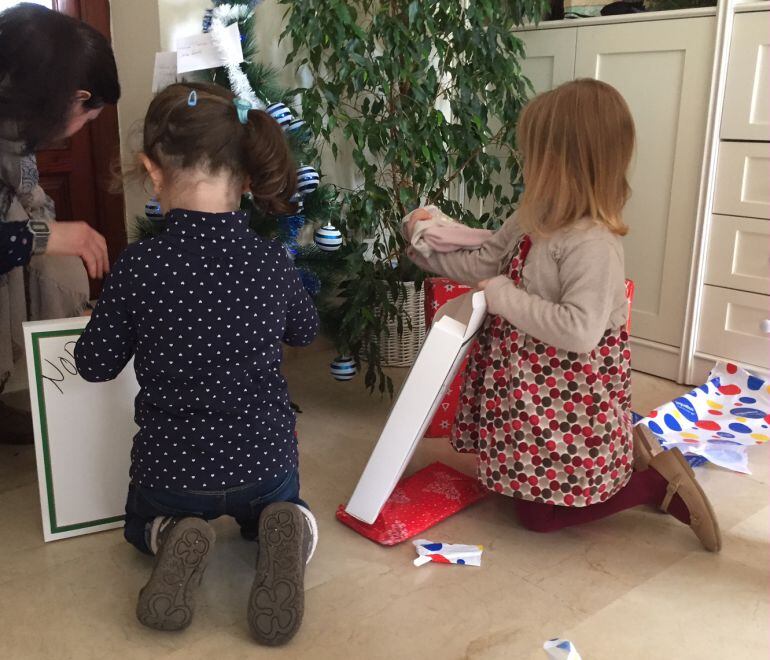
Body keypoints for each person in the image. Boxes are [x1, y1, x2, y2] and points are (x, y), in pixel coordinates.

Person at [406, 79, 721, 552]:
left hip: (568, 393)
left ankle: (656, 482)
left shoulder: (592, 244)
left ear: (565, 164)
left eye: (533, 155)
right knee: (520, 484)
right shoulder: (532, 214)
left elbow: (580, 331)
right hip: (528, 387)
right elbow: (484, 262)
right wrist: (424, 248)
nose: (524, 163)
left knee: (540, 517)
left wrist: (504, 296)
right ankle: (623, 457)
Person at [74, 82, 320, 645]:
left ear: (151, 170)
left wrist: (106, 318)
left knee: (139, 525)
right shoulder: (270, 259)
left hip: (173, 472)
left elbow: (95, 365)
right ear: (248, 176)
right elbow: (305, 331)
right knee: (285, 503)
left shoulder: (140, 265)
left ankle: (171, 533)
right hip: (264, 463)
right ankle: (290, 526)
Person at [0, 3, 115, 439]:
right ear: (77, 98)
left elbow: (32, 199)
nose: (84, 128)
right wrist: (40, 237)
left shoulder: (13, 127)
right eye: (90, 119)